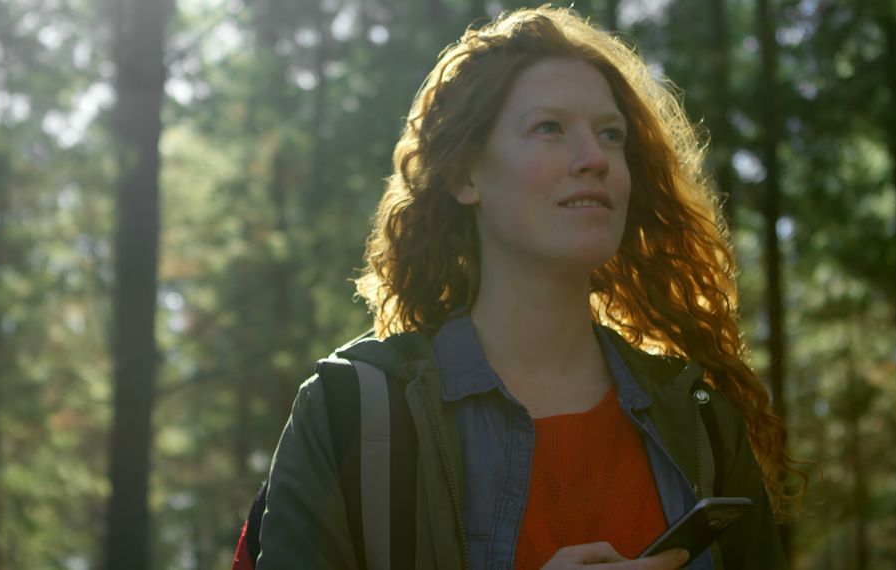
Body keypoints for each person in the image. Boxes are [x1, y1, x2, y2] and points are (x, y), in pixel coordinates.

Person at [257, 5, 802, 569]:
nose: (594, 159)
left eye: (610, 135)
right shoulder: (352, 414)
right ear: (466, 175)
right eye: (550, 129)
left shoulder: (701, 425)